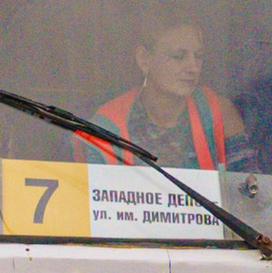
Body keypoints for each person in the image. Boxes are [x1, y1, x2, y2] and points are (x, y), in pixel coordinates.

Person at [90, 13, 246, 169]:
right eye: (179, 56)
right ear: (144, 59)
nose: (194, 67)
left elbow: (247, 182)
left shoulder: (220, 113)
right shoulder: (106, 126)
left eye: (198, 56)